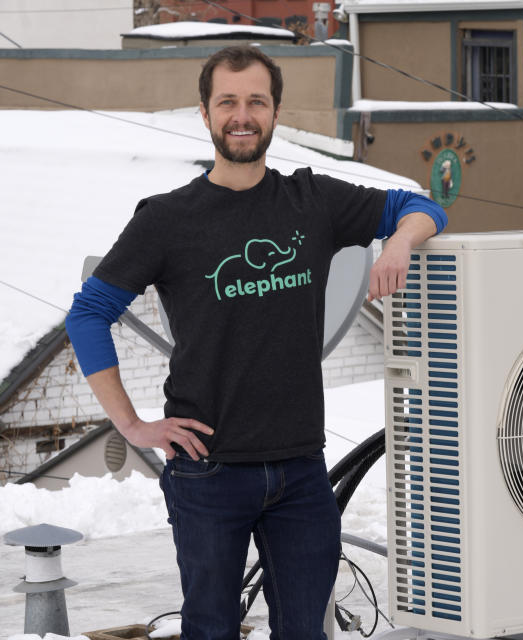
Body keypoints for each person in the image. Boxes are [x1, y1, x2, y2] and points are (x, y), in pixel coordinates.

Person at [64, 45, 447, 640]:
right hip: (208, 473)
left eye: (256, 102)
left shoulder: (312, 199)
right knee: (211, 629)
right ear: (205, 112)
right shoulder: (168, 218)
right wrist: (133, 427)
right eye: (228, 102)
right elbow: (88, 314)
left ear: (275, 112)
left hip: (300, 470)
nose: (242, 115)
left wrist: (397, 244)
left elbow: (422, 206)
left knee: (305, 632)